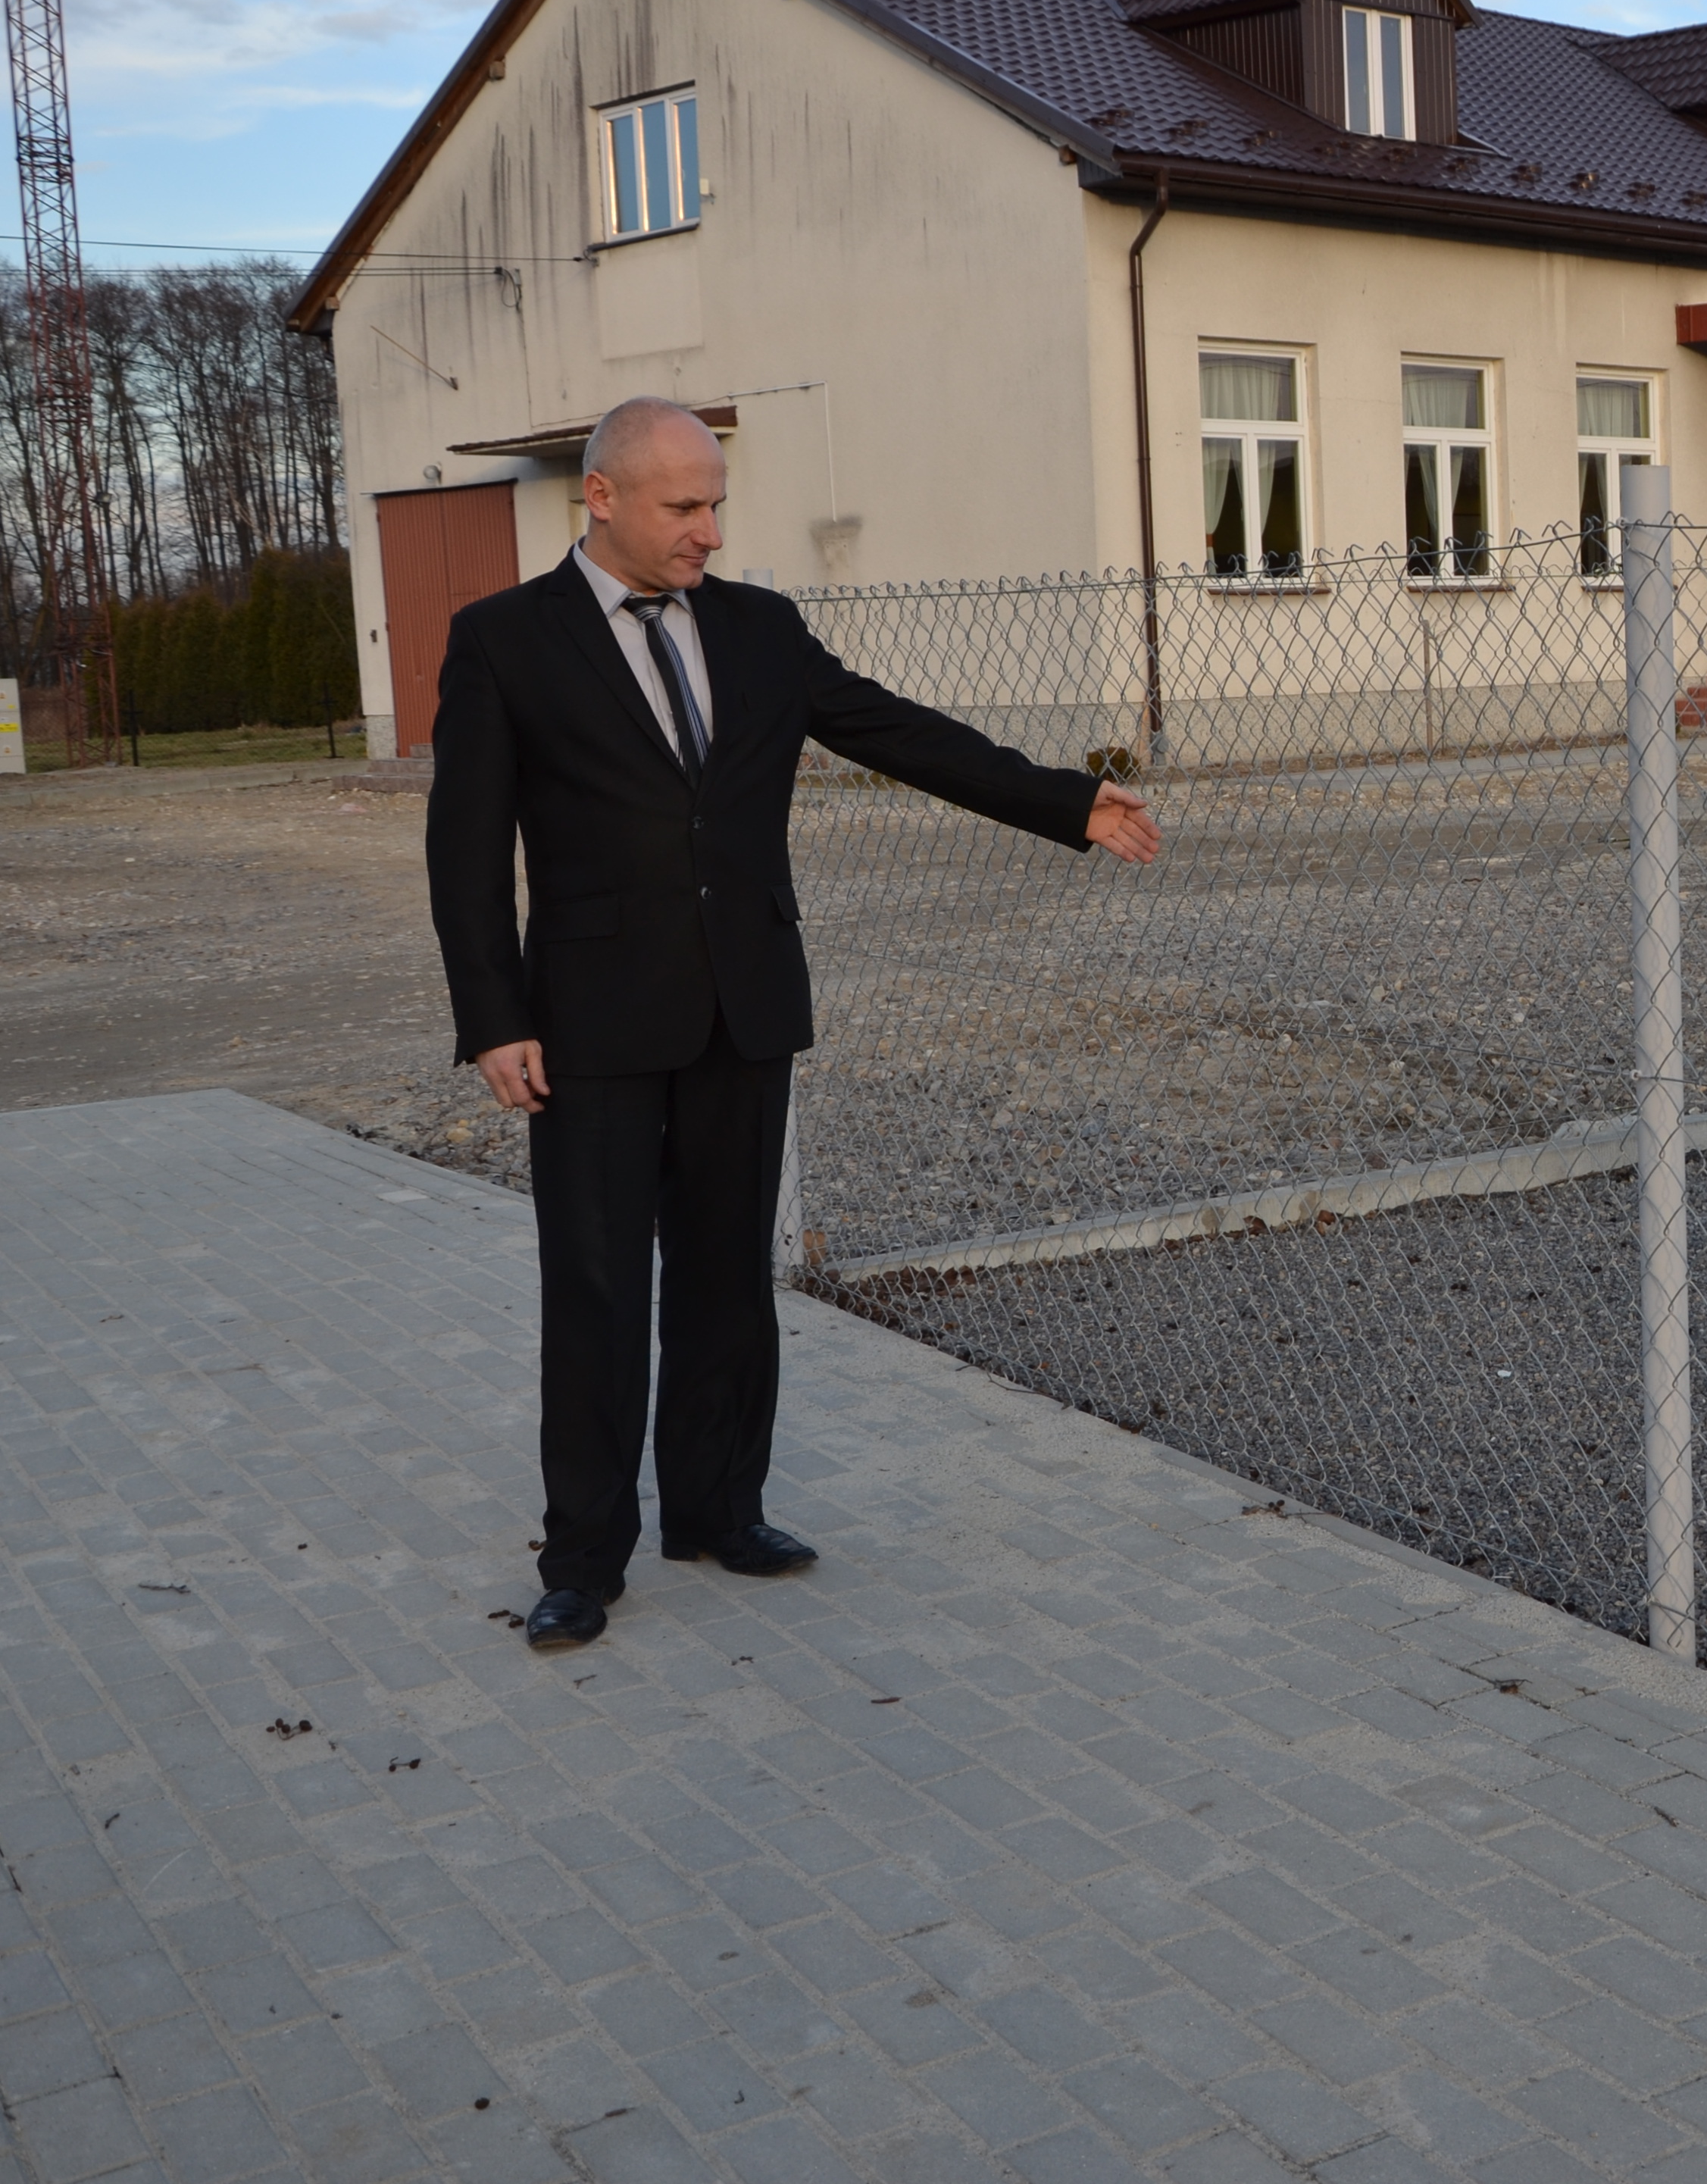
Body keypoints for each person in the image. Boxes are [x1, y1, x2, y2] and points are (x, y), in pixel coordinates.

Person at [427, 397, 1161, 1651]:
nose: (710, 531)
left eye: (717, 505)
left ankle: (719, 1511)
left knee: (727, 1278)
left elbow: (894, 732)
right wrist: (493, 1016)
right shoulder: (504, 639)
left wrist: (1062, 802)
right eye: (684, 507)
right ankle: (583, 1558)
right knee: (597, 1292)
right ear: (600, 496)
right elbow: (465, 844)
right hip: (590, 1023)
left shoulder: (759, 628)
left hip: (744, 1005)